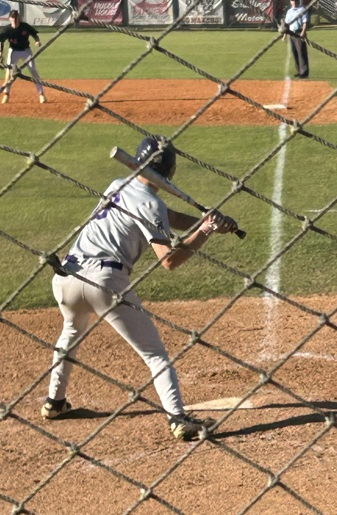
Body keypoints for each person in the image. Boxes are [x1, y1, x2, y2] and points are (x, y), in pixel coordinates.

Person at [42, 135, 239, 442]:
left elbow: (167, 217)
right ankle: (178, 418)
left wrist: (208, 224)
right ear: (171, 171)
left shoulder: (117, 185)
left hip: (67, 276)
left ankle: (54, 402)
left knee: (71, 332)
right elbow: (169, 260)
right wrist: (205, 230)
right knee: (155, 354)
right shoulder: (151, 203)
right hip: (105, 282)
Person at [0, 9, 46, 105]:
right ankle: (6, 94)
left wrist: (37, 41)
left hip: (26, 50)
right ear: (9, 18)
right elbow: (1, 41)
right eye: (13, 17)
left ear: (19, 18)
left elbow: (34, 33)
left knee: (33, 70)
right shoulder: (7, 30)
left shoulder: (25, 26)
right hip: (13, 51)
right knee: (9, 73)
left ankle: (41, 94)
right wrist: (0, 53)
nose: (14, 19)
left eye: (16, 18)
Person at [283, 0, 310, 78]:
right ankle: (299, 70)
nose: (293, 2)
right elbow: (286, 24)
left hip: (299, 33)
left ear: (298, 1)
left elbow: (305, 22)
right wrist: (284, 35)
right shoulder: (289, 11)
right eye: (292, 1)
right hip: (291, 33)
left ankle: (304, 72)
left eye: (295, 0)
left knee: (301, 53)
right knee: (294, 52)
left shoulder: (302, 10)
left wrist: (303, 32)